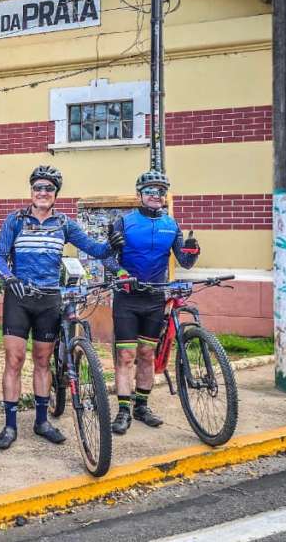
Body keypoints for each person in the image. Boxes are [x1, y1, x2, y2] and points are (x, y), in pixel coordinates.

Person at [0, 165, 123, 450]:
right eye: (38, 187)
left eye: (48, 188)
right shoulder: (15, 220)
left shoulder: (64, 223)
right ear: (31, 191)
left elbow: (96, 250)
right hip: (19, 296)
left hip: (50, 299)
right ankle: (10, 425)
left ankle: (41, 421)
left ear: (55, 194)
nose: (42, 192)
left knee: (42, 360)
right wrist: (9, 277)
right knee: (13, 361)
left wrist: (113, 244)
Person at [104, 170, 200, 435]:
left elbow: (185, 262)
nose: (155, 196)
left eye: (160, 191)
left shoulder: (172, 225)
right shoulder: (124, 222)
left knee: (147, 354)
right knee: (125, 355)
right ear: (139, 195)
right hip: (127, 297)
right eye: (150, 191)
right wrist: (121, 274)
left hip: (155, 297)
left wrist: (193, 250)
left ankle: (141, 407)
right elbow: (107, 258)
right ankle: (123, 410)